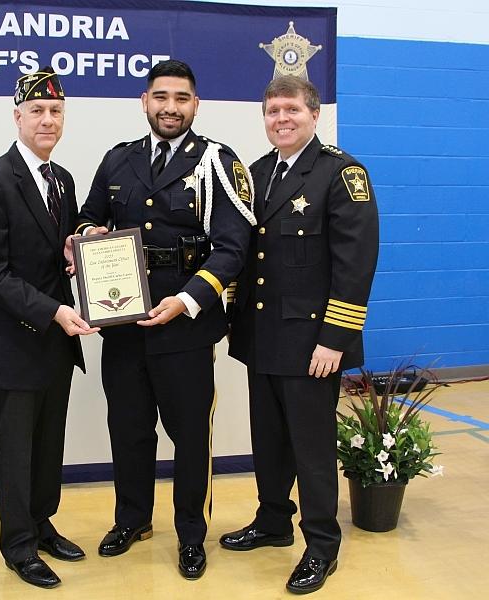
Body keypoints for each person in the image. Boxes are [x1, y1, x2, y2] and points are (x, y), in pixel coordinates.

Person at [69, 59, 253, 579]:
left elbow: (233, 246)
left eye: (181, 98)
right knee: (128, 430)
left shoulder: (217, 161)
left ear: (196, 105)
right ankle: (133, 519)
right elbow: (91, 215)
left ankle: (191, 534)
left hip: (186, 327)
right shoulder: (118, 159)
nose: (170, 107)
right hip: (123, 325)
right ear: (144, 102)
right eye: (161, 97)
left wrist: (189, 299)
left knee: (191, 436)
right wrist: (86, 237)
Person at [221, 75, 379, 594]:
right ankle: (272, 522)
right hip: (262, 334)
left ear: (314, 114)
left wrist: (335, 339)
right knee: (268, 443)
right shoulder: (257, 172)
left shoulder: (341, 173)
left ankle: (321, 544)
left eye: (291, 109)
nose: (281, 119)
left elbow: (355, 266)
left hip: (313, 342)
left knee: (311, 449)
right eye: (272, 111)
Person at [0, 68, 97, 589]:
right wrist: (53, 312)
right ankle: (17, 544)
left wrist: (79, 247)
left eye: (56, 111)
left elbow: (56, 250)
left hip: (56, 346)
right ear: (17, 116)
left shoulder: (61, 179)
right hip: (17, 342)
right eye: (37, 111)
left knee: (48, 446)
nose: (47, 120)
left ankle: (42, 524)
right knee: (15, 451)